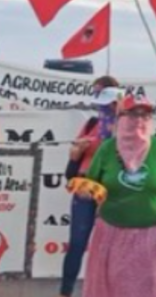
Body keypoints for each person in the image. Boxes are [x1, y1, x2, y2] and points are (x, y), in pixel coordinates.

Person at [81, 94, 156, 297]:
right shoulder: (107, 149)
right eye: (133, 114)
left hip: (151, 236)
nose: (140, 121)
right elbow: (92, 185)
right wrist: (85, 191)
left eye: (145, 115)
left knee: (152, 288)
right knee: (108, 288)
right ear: (121, 117)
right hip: (110, 234)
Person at [57, 77, 121, 297]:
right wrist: (76, 153)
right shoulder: (92, 123)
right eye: (95, 93)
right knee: (77, 241)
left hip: (112, 189)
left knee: (110, 246)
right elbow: (74, 157)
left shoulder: (126, 125)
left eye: (102, 93)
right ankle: (65, 291)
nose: (98, 100)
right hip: (86, 185)